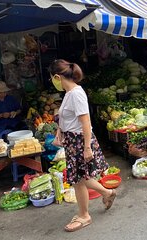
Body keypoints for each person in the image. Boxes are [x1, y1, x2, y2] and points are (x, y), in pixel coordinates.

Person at [49, 59, 116, 232]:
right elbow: (67, 118)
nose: (52, 82)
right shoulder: (69, 93)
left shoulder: (76, 93)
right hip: (72, 141)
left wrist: (87, 148)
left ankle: (84, 215)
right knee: (80, 177)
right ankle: (107, 193)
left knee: (78, 180)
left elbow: (85, 121)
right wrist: (60, 131)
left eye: (52, 78)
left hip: (79, 142)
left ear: (57, 76)